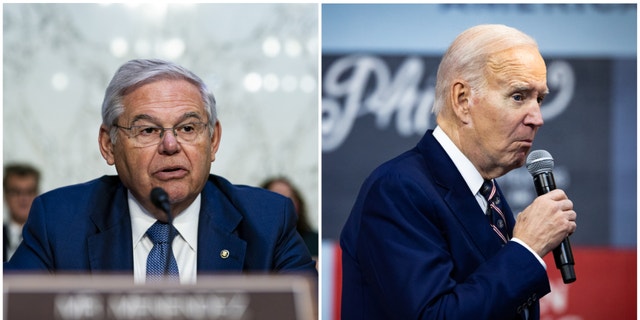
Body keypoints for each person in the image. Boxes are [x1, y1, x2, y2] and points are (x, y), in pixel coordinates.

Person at [340, 24, 577, 319]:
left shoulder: (486, 192)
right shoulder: (398, 189)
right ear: (462, 100)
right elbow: (434, 315)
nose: (537, 118)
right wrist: (526, 248)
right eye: (519, 96)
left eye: (539, 99)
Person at [5, 59, 317, 283]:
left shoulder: (267, 221)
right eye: (148, 130)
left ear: (213, 139)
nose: (170, 145)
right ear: (108, 145)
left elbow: (307, 310)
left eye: (188, 127)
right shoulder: (59, 223)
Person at [261, 177, 318, 257]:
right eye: (277, 198)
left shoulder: (315, 242)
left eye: (289, 199)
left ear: (298, 205)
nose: (284, 205)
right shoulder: (249, 244)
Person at [3, 163, 40, 262]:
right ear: (5, 195)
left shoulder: (47, 239)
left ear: (38, 195)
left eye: (29, 192)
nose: (23, 198)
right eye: (16, 192)